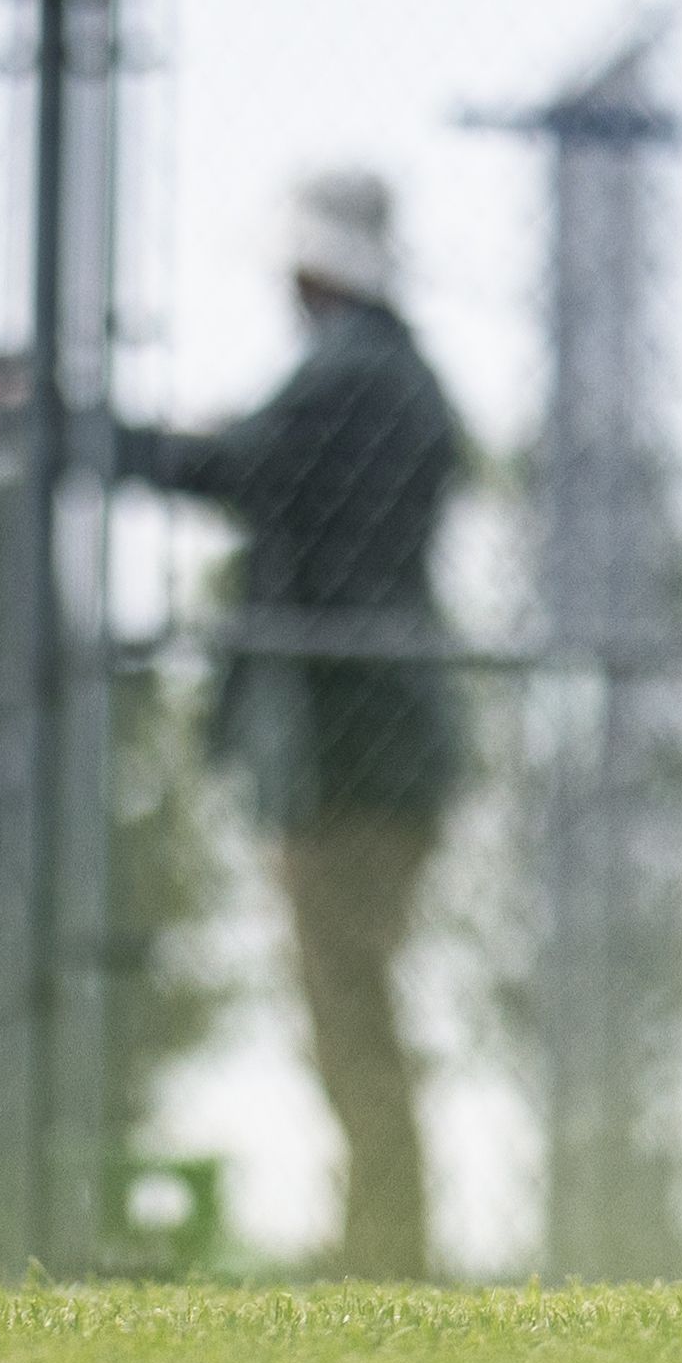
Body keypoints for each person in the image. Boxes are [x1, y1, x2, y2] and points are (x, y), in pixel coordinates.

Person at [116, 171, 468, 1278]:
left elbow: (238, 467)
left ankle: (383, 1241)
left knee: (348, 995)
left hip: (352, 742)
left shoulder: (354, 375)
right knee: (350, 995)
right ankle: (378, 1230)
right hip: (364, 734)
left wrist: (85, 433)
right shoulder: (388, 373)